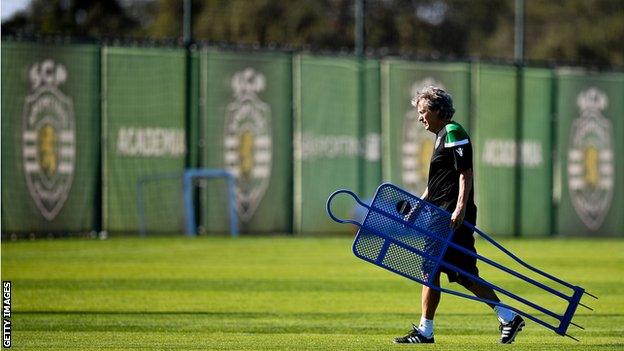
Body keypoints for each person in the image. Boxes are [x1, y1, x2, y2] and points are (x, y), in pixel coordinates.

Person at [393, 86, 525, 344]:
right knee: (457, 273)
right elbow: (436, 183)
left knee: (434, 269)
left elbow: (465, 173)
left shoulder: (453, 132)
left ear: (438, 110)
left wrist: (460, 208)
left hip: (450, 217)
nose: (420, 118)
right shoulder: (441, 135)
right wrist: (418, 208)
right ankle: (508, 317)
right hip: (441, 214)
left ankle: (426, 331)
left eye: (423, 112)